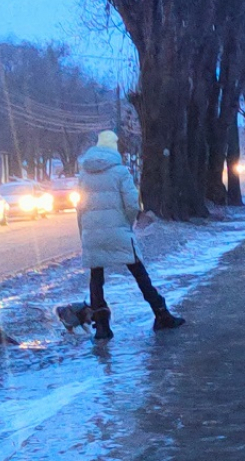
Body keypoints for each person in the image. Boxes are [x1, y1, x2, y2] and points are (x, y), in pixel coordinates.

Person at [78, 130, 185, 340]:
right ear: (114, 148)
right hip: (119, 231)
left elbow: (80, 208)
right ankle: (161, 313)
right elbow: (132, 204)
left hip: (92, 234)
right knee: (138, 272)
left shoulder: (84, 174)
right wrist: (126, 224)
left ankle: (101, 326)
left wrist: (85, 232)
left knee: (96, 278)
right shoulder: (120, 172)